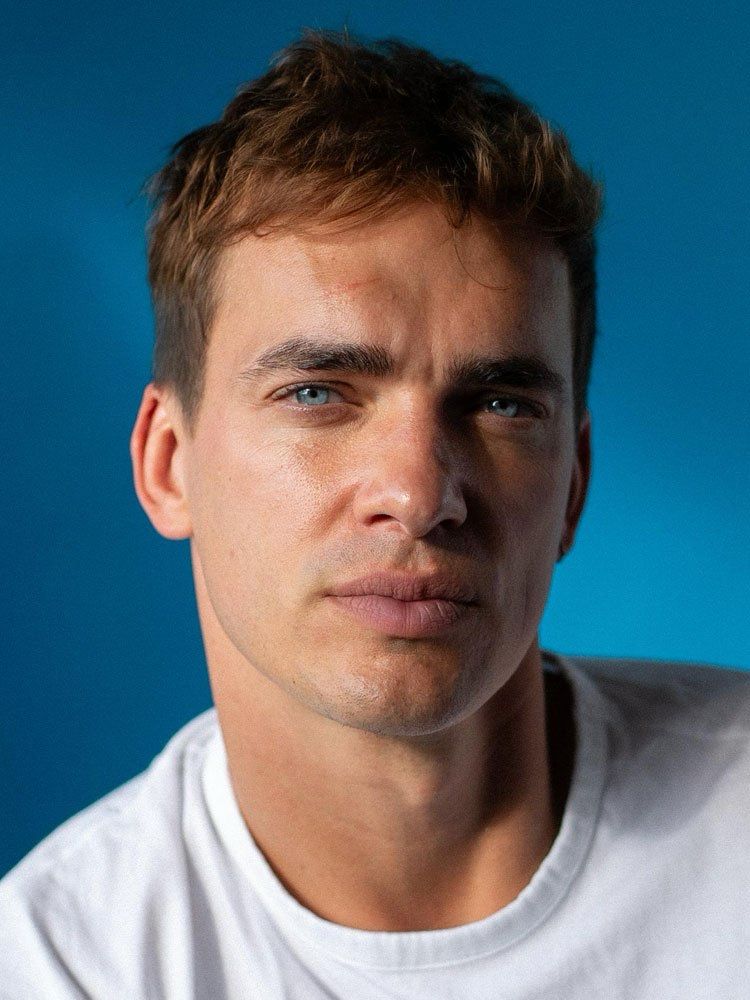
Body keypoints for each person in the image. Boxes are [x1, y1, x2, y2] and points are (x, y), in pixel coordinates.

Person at [1, 29, 748, 999]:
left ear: (573, 482)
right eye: (318, 392)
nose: (419, 492)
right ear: (168, 462)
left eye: (501, 404)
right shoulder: (60, 965)